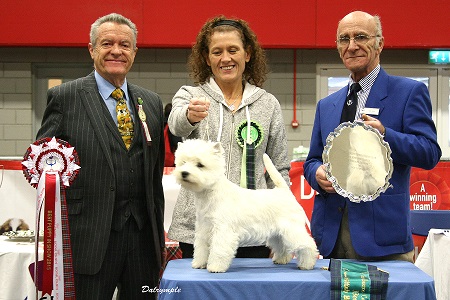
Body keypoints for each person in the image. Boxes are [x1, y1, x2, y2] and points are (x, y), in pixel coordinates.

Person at [36, 13, 165, 299]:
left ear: (134, 52)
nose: (116, 51)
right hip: (89, 240)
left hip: (144, 242)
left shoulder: (152, 102)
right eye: (107, 43)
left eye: (125, 44)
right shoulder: (65, 96)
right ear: (92, 49)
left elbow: (154, 170)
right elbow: (43, 161)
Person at [304, 11, 441, 262]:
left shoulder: (409, 92)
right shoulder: (327, 105)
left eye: (361, 37)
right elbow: (312, 160)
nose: (352, 46)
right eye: (344, 39)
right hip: (329, 237)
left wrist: (385, 135)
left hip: (383, 239)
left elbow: (429, 152)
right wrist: (316, 175)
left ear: (380, 44)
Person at [167, 15, 290, 258]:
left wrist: (280, 212)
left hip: (253, 226)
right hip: (197, 226)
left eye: (233, 50)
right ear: (206, 58)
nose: (225, 58)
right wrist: (189, 116)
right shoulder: (189, 94)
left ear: (247, 54)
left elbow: (279, 164)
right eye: (217, 52)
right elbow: (176, 125)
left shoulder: (268, 104)